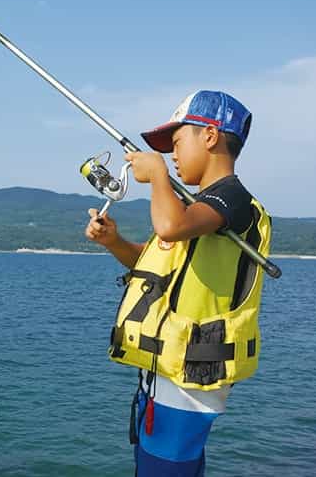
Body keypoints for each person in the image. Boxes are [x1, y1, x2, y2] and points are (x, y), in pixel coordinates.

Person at [84, 91, 272, 476]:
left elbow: (169, 227)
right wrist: (114, 242)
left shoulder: (232, 199)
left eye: (177, 142)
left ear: (210, 136)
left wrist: (156, 176)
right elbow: (153, 263)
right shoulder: (195, 207)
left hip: (191, 376)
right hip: (169, 368)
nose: (171, 154)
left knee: (165, 468)